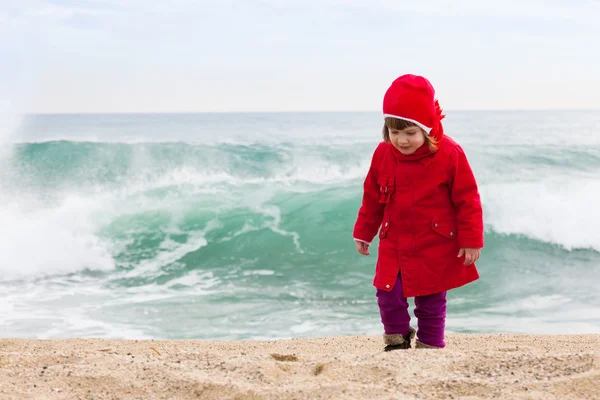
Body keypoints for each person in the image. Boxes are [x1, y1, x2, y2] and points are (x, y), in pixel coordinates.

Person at [353, 74, 484, 350]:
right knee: (387, 294)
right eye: (395, 132)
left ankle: (431, 345)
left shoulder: (449, 153)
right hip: (394, 241)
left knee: (431, 299)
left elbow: (467, 199)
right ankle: (396, 341)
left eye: (410, 133)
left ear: (427, 128)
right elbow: (372, 198)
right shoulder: (382, 154)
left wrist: (471, 239)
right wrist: (364, 233)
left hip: (433, 242)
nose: (401, 140)